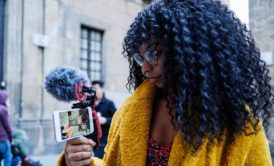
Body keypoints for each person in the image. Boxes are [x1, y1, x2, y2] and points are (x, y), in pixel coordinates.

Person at [58, 0, 273, 165]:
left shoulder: (238, 122)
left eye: (155, 53)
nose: (144, 67)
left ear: (193, 50)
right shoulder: (128, 112)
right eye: (140, 57)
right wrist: (80, 161)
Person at [91, 80, 116, 159]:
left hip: (104, 141)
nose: (93, 91)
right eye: (92, 89)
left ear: (101, 89)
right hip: (90, 140)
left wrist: (105, 120)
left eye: (96, 88)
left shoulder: (109, 103)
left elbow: (116, 120)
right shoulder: (89, 104)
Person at [0, 90, 13, 166]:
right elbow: (8, 126)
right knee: (8, 157)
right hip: (3, 139)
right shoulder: (2, 109)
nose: (8, 102)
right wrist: (11, 138)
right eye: (7, 99)